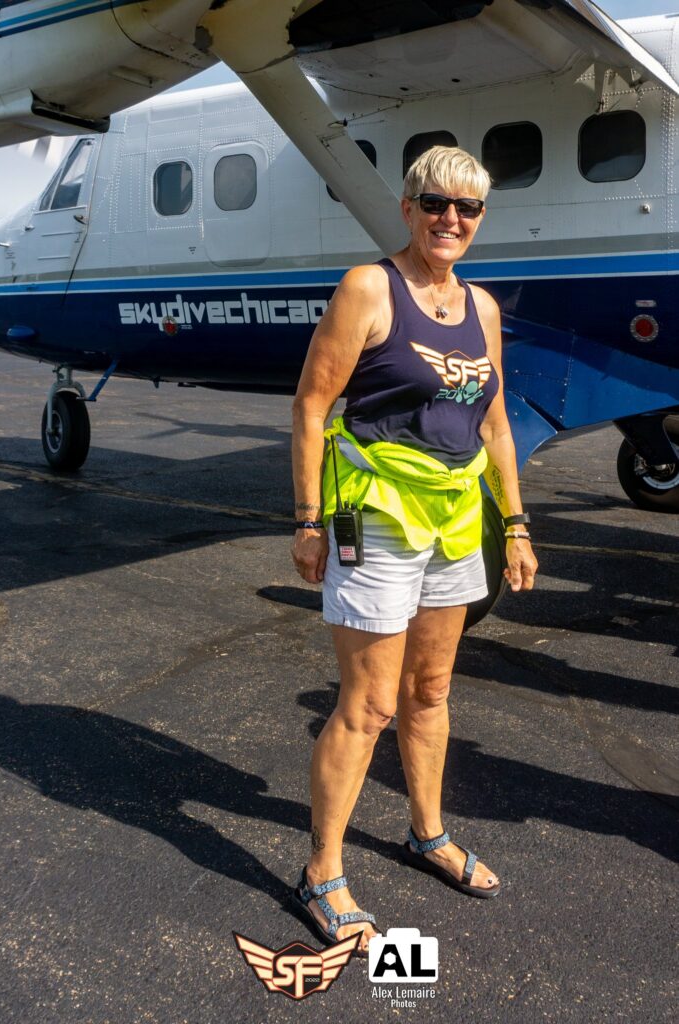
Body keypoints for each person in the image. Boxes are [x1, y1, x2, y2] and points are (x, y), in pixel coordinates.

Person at [290, 146, 538, 956]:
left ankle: (425, 834)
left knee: (429, 692)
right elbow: (311, 404)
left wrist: (514, 524)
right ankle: (321, 870)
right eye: (435, 204)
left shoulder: (482, 307)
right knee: (369, 704)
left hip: (453, 521)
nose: (450, 220)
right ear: (406, 207)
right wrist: (304, 518)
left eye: (467, 209)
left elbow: (494, 424)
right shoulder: (370, 287)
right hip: (376, 519)